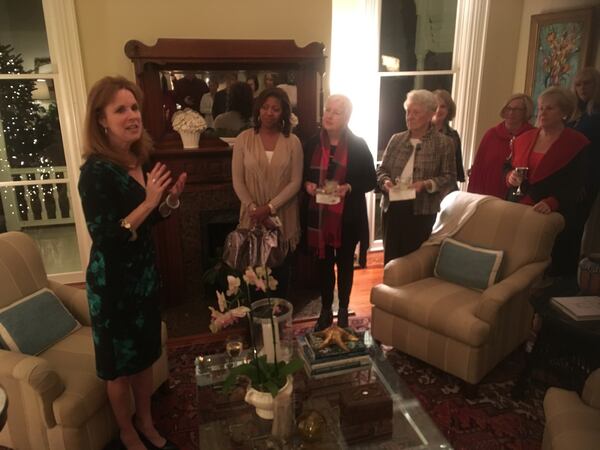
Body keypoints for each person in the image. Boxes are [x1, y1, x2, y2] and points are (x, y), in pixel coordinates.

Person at [78, 76, 186, 450]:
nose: (132, 115)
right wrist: (149, 202)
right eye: (120, 109)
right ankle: (126, 431)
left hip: (144, 277)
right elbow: (106, 235)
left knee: (143, 359)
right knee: (118, 368)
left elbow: (151, 219)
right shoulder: (94, 173)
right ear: (102, 120)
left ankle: (146, 420)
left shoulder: (142, 159)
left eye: (135, 107)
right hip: (113, 286)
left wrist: (168, 201)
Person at [304, 95, 376, 330]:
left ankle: (343, 309)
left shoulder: (358, 145)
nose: (329, 115)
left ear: (347, 117)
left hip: (347, 219)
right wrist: (308, 186)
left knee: (345, 264)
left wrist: (350, 187)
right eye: (327, 110)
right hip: (319, 218)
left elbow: (370, 180)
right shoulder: (311, 144)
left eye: (336, 112)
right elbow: (302, 176)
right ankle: (326, 310)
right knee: (323, 265)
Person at [507, 86, 589, 277]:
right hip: (518, 208)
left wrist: (552, 202)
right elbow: (507, 166)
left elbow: (577, 183)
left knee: (541, 267)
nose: (542, 112)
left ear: (564, 113)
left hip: (551, 213)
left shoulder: (577, 143)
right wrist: (509, 176)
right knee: (515, 262)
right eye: (541, 107)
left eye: (550, 108)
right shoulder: (523, 138)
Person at [231, 87, 303, 297]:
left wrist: (269, 208)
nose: (269, 113)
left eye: (275, 109)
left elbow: (295, 182)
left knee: (280, 280)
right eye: (265, 107)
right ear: (258, 109)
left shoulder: (293, 142)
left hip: (282, 218)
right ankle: (257, 327)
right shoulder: (243, 139)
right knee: (254, 283)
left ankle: (279, 327)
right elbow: (238, 180)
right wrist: (256, 210)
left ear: (284, 113)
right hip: (252, 218)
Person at [377, 89, 456, 264]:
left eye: (416, 112)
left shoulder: (444, 143)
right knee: (391, 258)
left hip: (422, 210)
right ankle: (390, 289)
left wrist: (426, 184)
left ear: (430, 115)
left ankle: (411, 291)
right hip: (393, 207)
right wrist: (386, 182)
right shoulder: (396, 139)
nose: (409, 116)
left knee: (413, 260)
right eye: (408, 111)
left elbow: (449, 178)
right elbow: (381, 171)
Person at [467, 93, 534, 198]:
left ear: (526, 112)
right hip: (487, 194)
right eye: (509, 108)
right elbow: (478, 169)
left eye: (517, 110)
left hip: (517, 198)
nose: (511, 112)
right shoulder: (491, 134)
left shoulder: (532, 136)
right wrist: (472, 197)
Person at [432, 89, 465, 190]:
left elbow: (457, 166)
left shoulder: (453, 136)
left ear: (449, 110)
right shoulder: (419, 133)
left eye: (443, 106)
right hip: (423, 188)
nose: (438, 110)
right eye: (435, 106)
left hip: (447, 189)